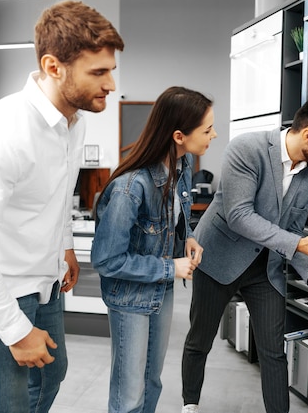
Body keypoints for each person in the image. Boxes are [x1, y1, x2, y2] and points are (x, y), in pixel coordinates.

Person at [0, 1, 124, 412]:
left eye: (110, 69)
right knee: (6, 404)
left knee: (49, 378)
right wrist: (14, 331)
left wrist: (64, 248)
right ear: (54, 66)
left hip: (45, 283)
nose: (111, 83)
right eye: (99, 72)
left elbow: (56, 195)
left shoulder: (71, 124)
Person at [181, 94, 308, 413]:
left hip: (266, 268)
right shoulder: (247, 149)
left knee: (273, 352)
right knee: (199, 341)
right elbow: (239, 215)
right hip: (218, 258)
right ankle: (189, 404)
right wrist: (299, 246)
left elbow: (293, 229)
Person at [91, 86, 217, 413]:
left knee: (152, 382)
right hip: (130, 297)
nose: (214, 135)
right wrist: (170, 268)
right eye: (207, 129)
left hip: (160, 291)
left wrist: (186, 236)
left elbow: (177, 213)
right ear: (178, 135)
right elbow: (106, 260)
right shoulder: (131, 187)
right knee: (130, 393)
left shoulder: (181, 166)